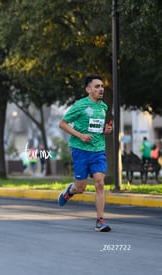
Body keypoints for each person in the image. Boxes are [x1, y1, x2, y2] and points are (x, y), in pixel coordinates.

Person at [57, 74, 113, 232]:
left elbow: (96, 128)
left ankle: (100, 221)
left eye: (102, 86)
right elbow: (62, 124)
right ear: (88, 89)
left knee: (100, 183)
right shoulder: (79, 105)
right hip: (80, 150)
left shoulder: (103, 107)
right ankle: (70, 191)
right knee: (81, 188)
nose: (101, 89)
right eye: (97, 87)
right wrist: (80, 135)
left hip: (98, 150)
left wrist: (106, 130)